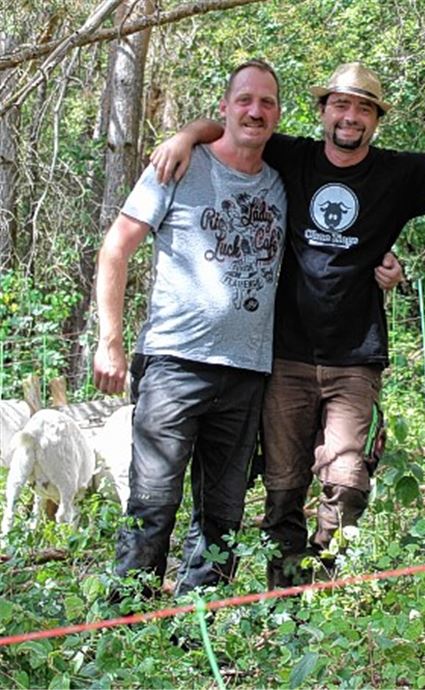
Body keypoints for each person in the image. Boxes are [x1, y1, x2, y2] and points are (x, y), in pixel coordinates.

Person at [152, 61, 425, 588]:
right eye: (341, 105)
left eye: (364, 109)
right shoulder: (290, 156)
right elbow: (236, 125)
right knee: (282, 488)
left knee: (348, 484)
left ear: (376, 119)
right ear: (323, 111)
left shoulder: (398, 173)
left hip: (354, 360)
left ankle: (323, 583)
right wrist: (186, 136)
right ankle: (284, 595)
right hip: (285, 356)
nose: (351, 117)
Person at [93, 59, 288, 599]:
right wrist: (110, 340)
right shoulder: (178, 166)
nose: (255, 111)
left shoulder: (282, 182)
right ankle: (126, 622)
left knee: (222, 516)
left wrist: (381, 259)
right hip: (173, 363)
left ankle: (193, 627)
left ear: (277, 114)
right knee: (152, 502)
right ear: (224, 107)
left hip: (247, 372)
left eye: (267, 102)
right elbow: (116, 248)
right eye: (244, 99)